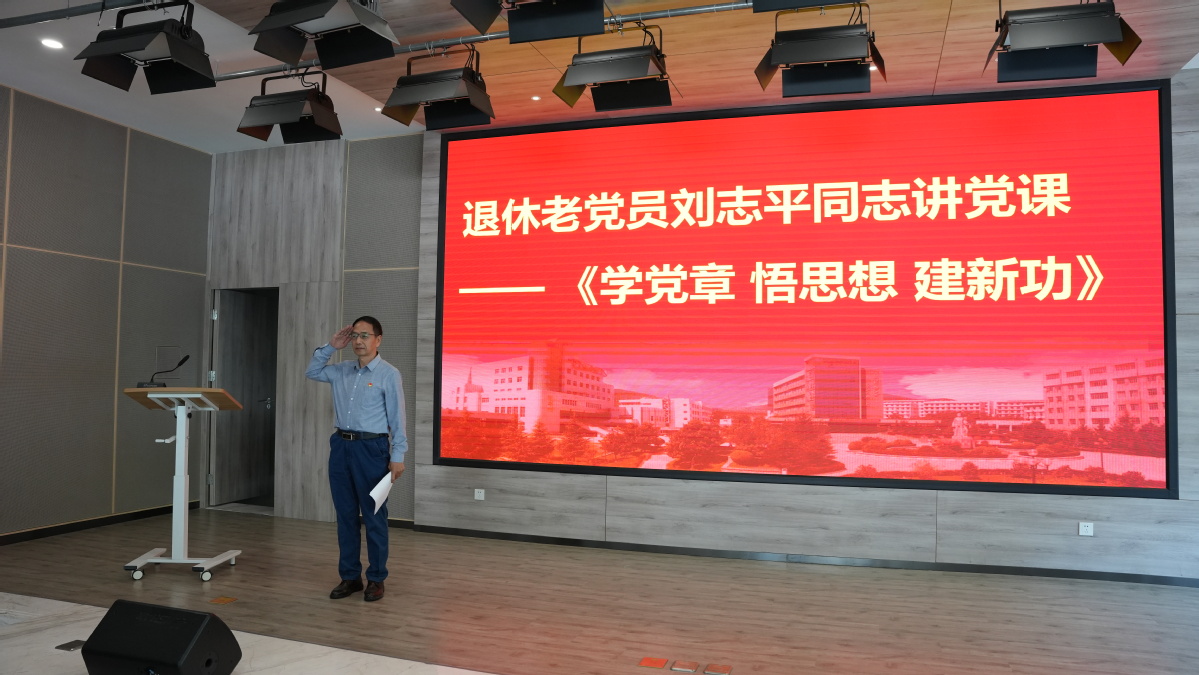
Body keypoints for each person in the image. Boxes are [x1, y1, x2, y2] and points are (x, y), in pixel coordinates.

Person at [305, 316, 407, 602]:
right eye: (354, 336)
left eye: (365, 335)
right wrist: (330, 347)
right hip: (341, 447)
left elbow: (398, 418)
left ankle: (376, 578)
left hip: (372, 450)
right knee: (345, 516)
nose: (358, 341)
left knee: (374, 516)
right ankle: (350, 577)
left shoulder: (389, 374)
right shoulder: (340, 370)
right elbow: (312, 371)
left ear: (378, 339)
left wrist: (397, 455)